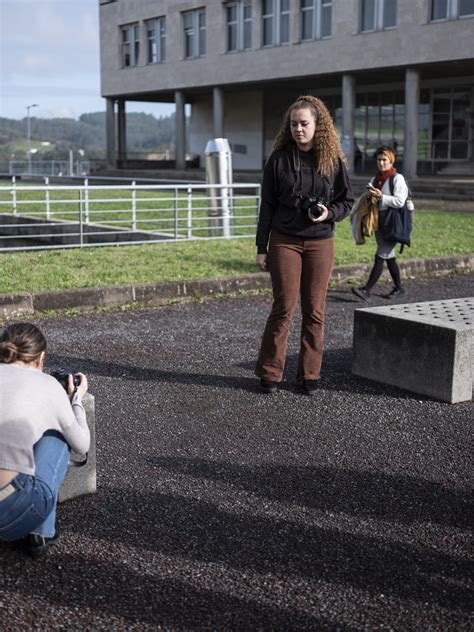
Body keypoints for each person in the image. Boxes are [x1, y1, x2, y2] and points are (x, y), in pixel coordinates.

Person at [255, 95, 354, 395]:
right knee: (283, 307)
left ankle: (310, 374)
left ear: (318, 125)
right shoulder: (279, 159)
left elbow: (346, 201)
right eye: (294, 124)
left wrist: (329, 212)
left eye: (304, 124)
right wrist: (262, 247)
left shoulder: (333, 160)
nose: (298, 129)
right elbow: (267, 206)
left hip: (320, 243)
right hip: (284, 241)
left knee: (315, 310)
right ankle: (270, 372)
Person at [0, 322, 90, 559]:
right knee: (57, 433)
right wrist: (75, 401)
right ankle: (41, 533)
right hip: (10, 510)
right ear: (40, 358)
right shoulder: (48, 385)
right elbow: (82, 445)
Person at [351, 145, 408, 302]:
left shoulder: (397, 178)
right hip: (378, 222)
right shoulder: (375, 179)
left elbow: (400, 201)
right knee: (389, 257)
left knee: (381, 254)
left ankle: (366, 290)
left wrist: (381, 196)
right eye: (379, 160)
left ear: (391, 161)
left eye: (385, 160)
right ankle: (399, 288)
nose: (381, 163)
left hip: (393, 222)